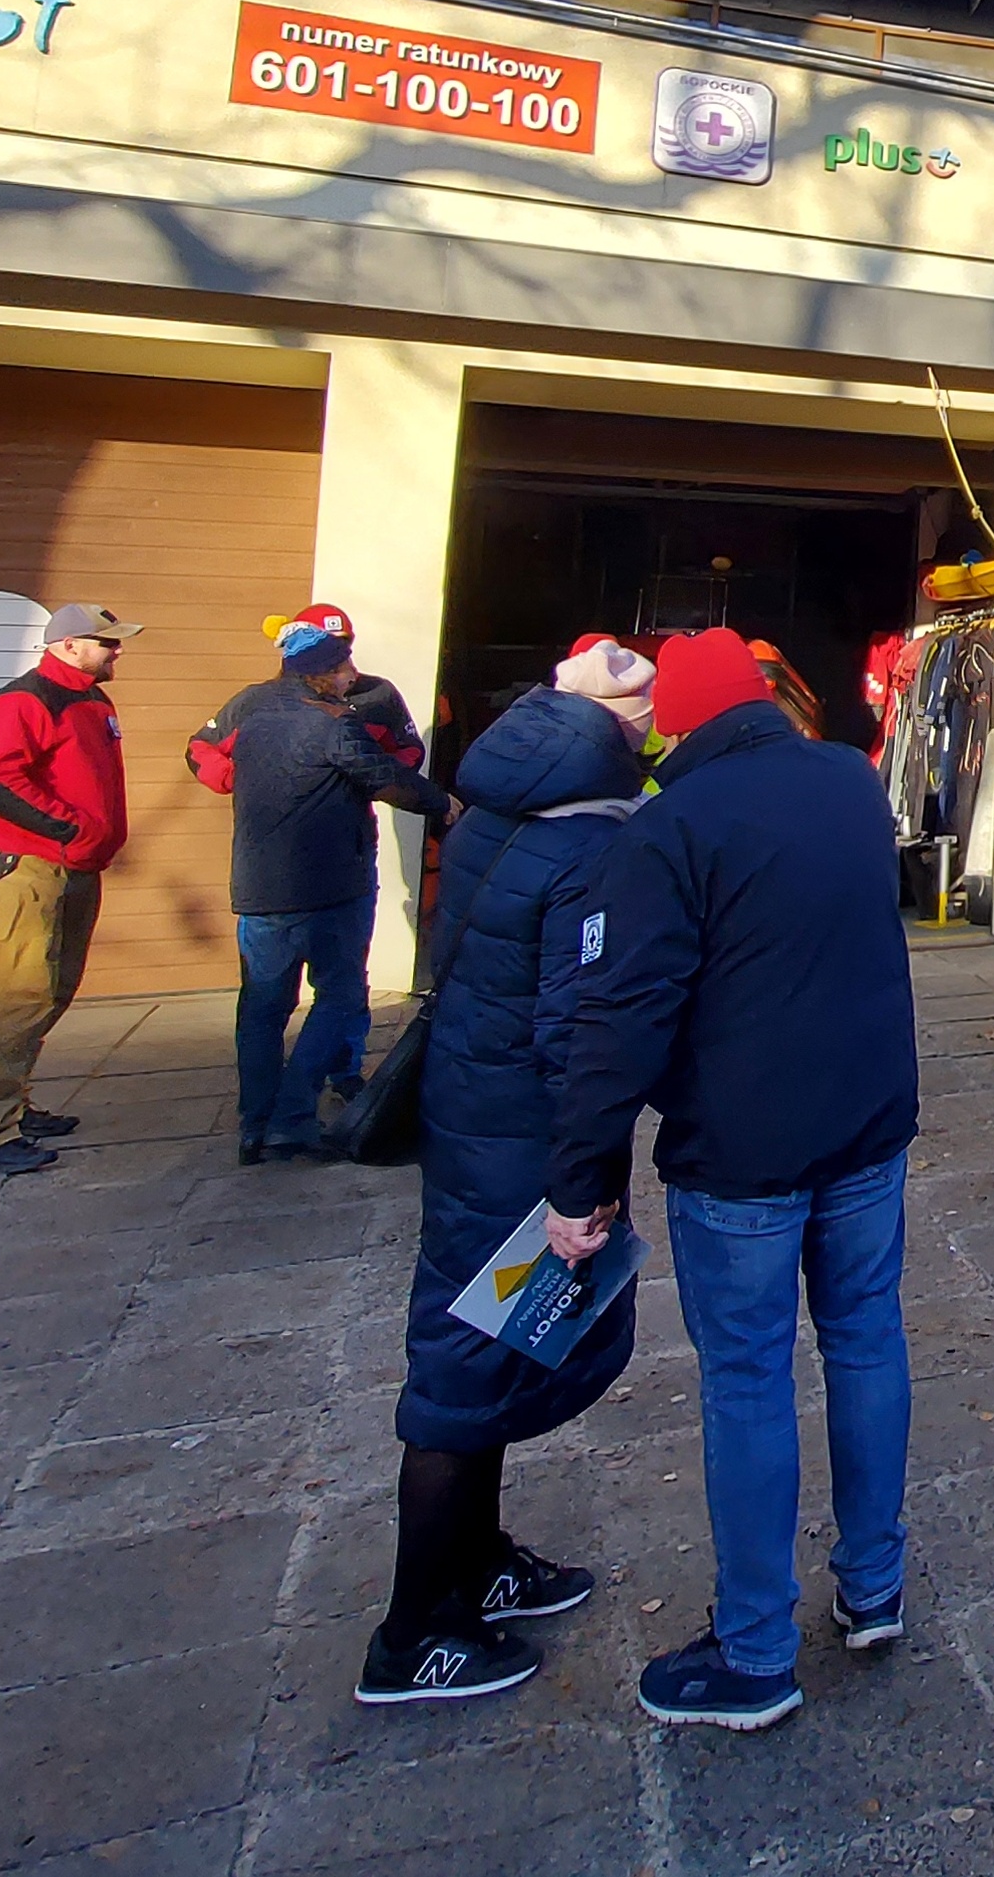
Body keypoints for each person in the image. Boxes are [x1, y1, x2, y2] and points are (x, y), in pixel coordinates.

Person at [543, 627, 919, 1733]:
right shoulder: (849, 781)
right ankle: (873, 1587)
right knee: (865, 1341)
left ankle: (755, 1651)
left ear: (681, 722)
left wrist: (582, 1179)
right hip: (865, 1130)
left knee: (749, 1379)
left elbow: (619, 1017)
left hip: (741, 1157)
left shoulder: (671, 823)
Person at [358, 637, 660, 1705]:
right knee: (461, 1370)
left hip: (469, 1105)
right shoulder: (588, 833)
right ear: (618, 725)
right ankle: (414, 1635)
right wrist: (580, 1181)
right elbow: (572, 1019)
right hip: (519, 1133)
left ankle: (476, 1568)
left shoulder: (499, 792)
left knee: (482, 1352)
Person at [224, 619, 449, 1163]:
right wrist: (445, 804)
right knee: (341, 998)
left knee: (261, 1007)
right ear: (320, 675)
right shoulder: (334, 727)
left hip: (258, 891)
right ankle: (292, 1119)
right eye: (343, 666)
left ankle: (254, 1124)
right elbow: (388, 780)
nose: (353, 674)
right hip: (328, 889)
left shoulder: (253, 720)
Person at [0, 603, 146, 1176]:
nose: (118, 651)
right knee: (19, 1000)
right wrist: (70, 826)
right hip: (31, 871)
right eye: (106, 643)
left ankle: (14, 1104)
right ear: (67, 645)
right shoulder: (25, 699)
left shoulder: (92, 698)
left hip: (76, 868)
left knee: (55, 990)